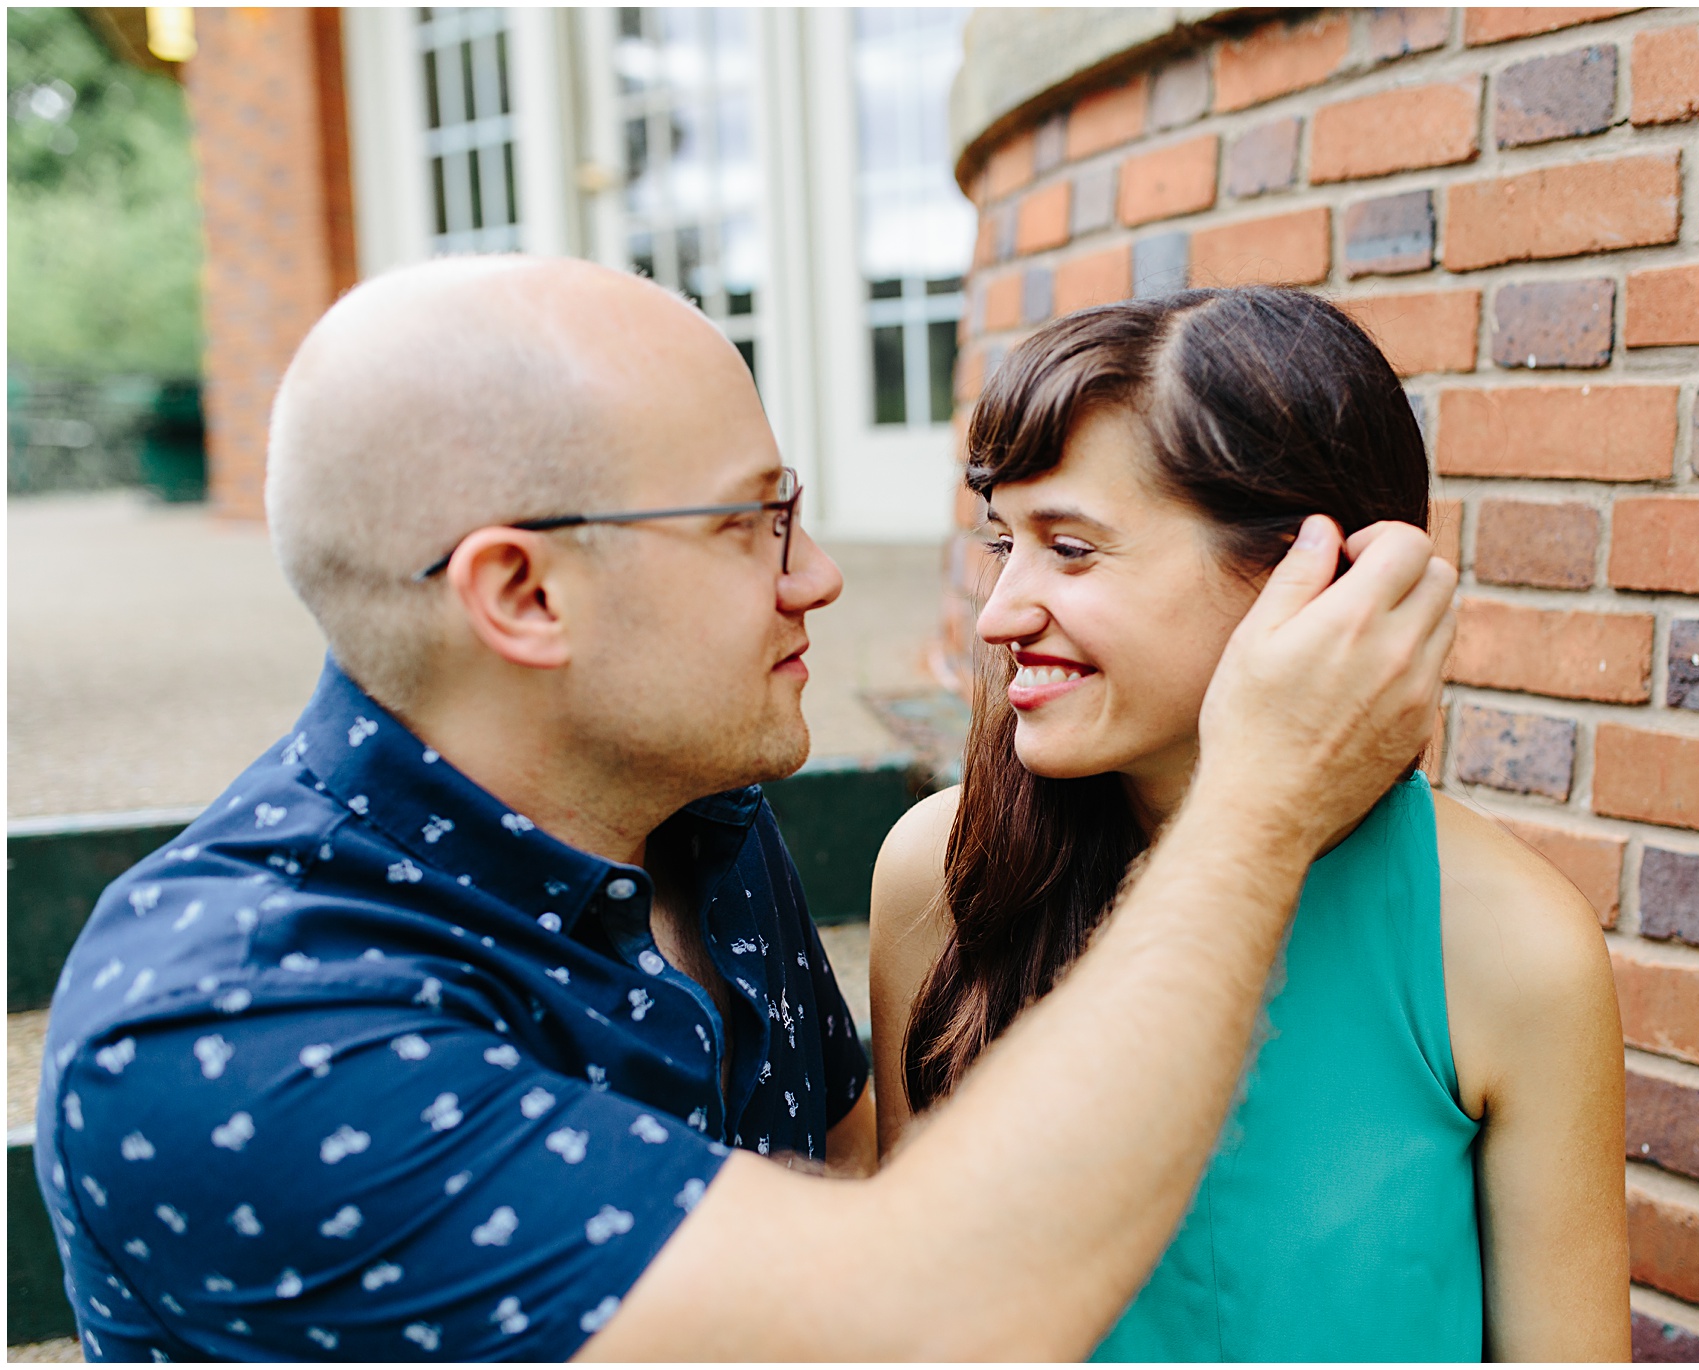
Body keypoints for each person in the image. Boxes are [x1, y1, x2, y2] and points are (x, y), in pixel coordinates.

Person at [33, 256, 1458, 1361]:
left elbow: (845, 1171)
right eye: (751, 520)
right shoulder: (235, 1033)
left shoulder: (695, 816)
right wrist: (1260, 799)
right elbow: (933, 1325)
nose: (820, 574)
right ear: (523, 594)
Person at [869, 288, 1629, 1361]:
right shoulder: (939, 873)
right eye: (1005, 545)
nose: (998, 613)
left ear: (1304, 574)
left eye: (1072, 549)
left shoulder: (1508, 945)